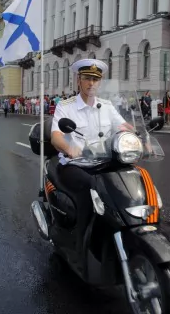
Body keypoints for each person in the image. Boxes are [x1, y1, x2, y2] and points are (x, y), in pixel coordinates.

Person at [50, 59, 131, 243]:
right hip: (75, 164)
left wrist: (138, 137)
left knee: (131, 178)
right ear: (79, 80)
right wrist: (69, 148)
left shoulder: (107, 106)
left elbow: (122, 125)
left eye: (95, 79)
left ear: (100, 82)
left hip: (104, 161)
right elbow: (56, 136)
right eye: (87, 78)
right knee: (90, 188)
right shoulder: (66, 106)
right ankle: (81, 243)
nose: (91, 83)